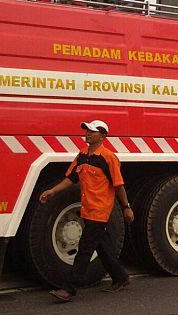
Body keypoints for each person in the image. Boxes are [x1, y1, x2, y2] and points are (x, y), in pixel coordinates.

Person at [39, 120, 133, 302]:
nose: (88, 133)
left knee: (85, 248)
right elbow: (71, 178)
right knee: (101, 245)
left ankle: (69, 289)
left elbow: (119, 185)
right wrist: (52, 191)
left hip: (100, 210)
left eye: (92, 131)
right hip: (87, 209)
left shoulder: (108, 158)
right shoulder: (82, 155)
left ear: (103, 136)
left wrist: (126, 207)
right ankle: (121, 277)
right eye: (87, 130)